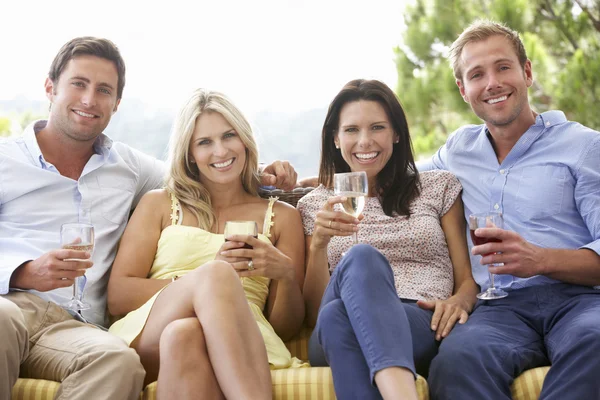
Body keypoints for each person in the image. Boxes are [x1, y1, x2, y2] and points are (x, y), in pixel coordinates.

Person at [0, 37, 298, 400]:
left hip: (76, 328)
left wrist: (270, 174)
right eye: (79, 84)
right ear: (50, 87)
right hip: (9, 302)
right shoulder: (5, 161)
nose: (90, 99)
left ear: (117, 102)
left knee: (123, 360)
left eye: (104, 90)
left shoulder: (128, 167)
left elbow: (207, 170)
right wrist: (23, 271)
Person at [417, 20, 600, 400]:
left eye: (503, 67)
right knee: (457, 360)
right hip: (499, 310)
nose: (492, 83)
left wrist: (540, 259)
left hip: (581, 301)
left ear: (527, 72)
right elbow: (393, 175)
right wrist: (279, 180)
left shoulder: (583, 146)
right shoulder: (457, 150)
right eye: (477, 74)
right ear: (463, 90)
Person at [107, 88, 307, 399]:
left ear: (244, 139)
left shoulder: (283, 216)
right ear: (189, 153)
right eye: (204, 142)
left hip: (240, 338)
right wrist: (198, 287)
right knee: (216, 275)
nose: (220, 151)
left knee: (184, 335)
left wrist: (286, 275)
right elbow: (118, 295)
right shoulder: (159, 204)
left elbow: (286, 328)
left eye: (229, 136)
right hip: (151, 329)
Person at [297, 79, 479, 400]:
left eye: (377, 127)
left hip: (418, 321)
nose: (364, 141)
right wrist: (319, 245)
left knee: (338, 319)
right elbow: (313, 313)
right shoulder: (315, 204)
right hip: (327, 329)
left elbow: (466, 279)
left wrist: (459, 301)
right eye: (351, 130)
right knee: (360, 260)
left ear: (396, 133)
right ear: (336, 139)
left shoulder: (437, 188)